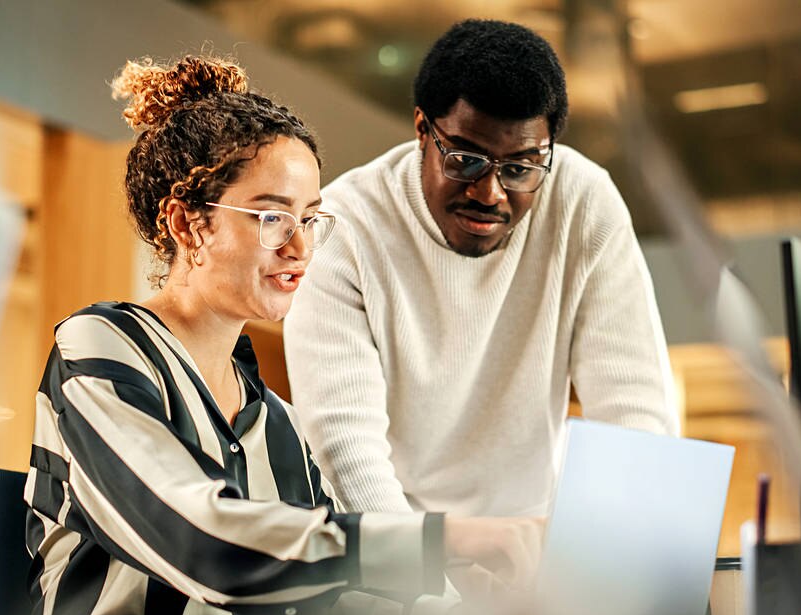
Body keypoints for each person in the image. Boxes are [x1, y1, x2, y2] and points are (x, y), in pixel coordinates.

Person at [23, 55, 541, 615]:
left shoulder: (276, 422)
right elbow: (202, 544)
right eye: (272, 216)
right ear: (188, 225)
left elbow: (326, 594)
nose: (301, 247)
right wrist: (440, 539)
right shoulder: (101, 348)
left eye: (312, 218)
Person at [284, 20, 680, 519]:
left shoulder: (583, 203)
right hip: (397, 543)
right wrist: (429, 583)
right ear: (422, 130)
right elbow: (346, 452)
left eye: (519, 168)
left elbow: (636, 416)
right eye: (467, 161)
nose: (490, 194)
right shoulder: (346, 229)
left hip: (530, 536)